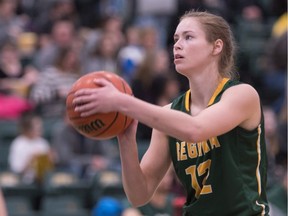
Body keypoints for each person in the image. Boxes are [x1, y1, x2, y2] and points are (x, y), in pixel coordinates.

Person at [72, 11, 270, 215]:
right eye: (175, 39)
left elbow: (196, 129)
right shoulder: (171, 113)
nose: (177, 44)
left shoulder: (242, 95)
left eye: (188, 37)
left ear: (216, 46)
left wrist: (121, 101)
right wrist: (126, 139)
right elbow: (139, 195)